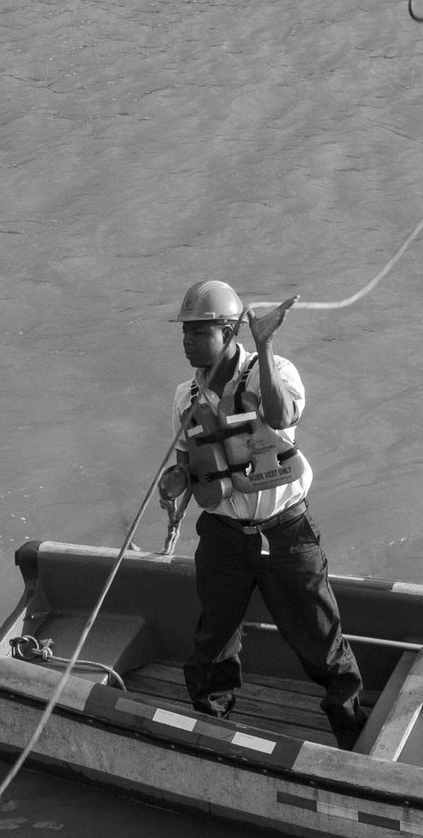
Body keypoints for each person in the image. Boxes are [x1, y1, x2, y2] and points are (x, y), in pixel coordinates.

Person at [156, 279, 365, 748]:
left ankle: (352, 733)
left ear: (230, 332)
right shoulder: (184, 398)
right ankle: (211, 728)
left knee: (320, 640)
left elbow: (281, 415)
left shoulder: (273, 372)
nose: (188, 341)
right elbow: (190, 463)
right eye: (184, 332)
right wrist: (176, 484)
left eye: (200, 331)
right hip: (224, 536)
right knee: (214, 641)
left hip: (286, 532)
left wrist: (265, 345)